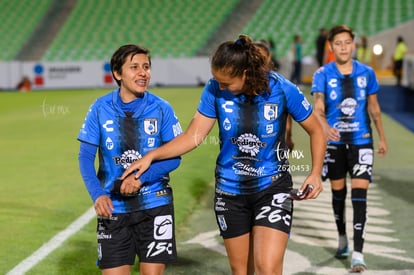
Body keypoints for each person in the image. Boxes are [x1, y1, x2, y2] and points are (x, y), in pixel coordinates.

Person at [122, 34, 326, 275]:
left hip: (272, 187)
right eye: (217, 80)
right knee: (242, 271)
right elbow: (193, 137)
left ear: (245, 75)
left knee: (267, 268)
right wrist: (151, 156)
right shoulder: (213, 89)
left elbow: (316, 131)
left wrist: (315, 173)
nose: (220, 86)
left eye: (226, 83)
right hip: (230, 193)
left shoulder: (281, 88)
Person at [77, 44, 183, 275]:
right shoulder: (99, 107)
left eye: (146, 67)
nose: (143, 73)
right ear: (117, 73)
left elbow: (175, 157)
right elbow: (85, 157)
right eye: (134, 67)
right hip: (114, 207)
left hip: (155, 204)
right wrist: (98, 194)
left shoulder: (162, 108)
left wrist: (141, 178)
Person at [311, 25, 388, 273]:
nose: (343, 47)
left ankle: (358, 253)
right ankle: (342, 237)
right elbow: (318, 107)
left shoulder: (367, 73)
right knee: (338, 195)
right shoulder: (322, 74)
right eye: (338, 43)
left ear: (353, 44)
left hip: (362, 141)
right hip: (334, 145)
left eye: (347, 42)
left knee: (359, 198)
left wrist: (382, 138)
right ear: (331, 47)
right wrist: (323, 126)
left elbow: (374, 108)